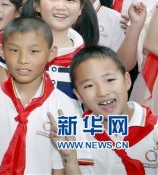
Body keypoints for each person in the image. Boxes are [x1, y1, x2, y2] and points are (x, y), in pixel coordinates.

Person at [0, 17, 92, 174]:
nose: (23, 60)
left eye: (34, 51)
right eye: (14, 50)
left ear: (51, 53)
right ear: (2, 52)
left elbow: (61, 168)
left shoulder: (63, 105)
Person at [67, 46, 157, 174]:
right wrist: (68, 158)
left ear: (126, 80)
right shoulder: (77, 134)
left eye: (110, 80)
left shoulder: (154, 130)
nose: (102, 92)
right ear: (79, 96)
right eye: (89, 86)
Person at [19, 0, 99, 100]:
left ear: (80, 9)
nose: (61, 7)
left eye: (70, 0)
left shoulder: (88, 59)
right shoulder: (17, 48)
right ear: (37, 5)